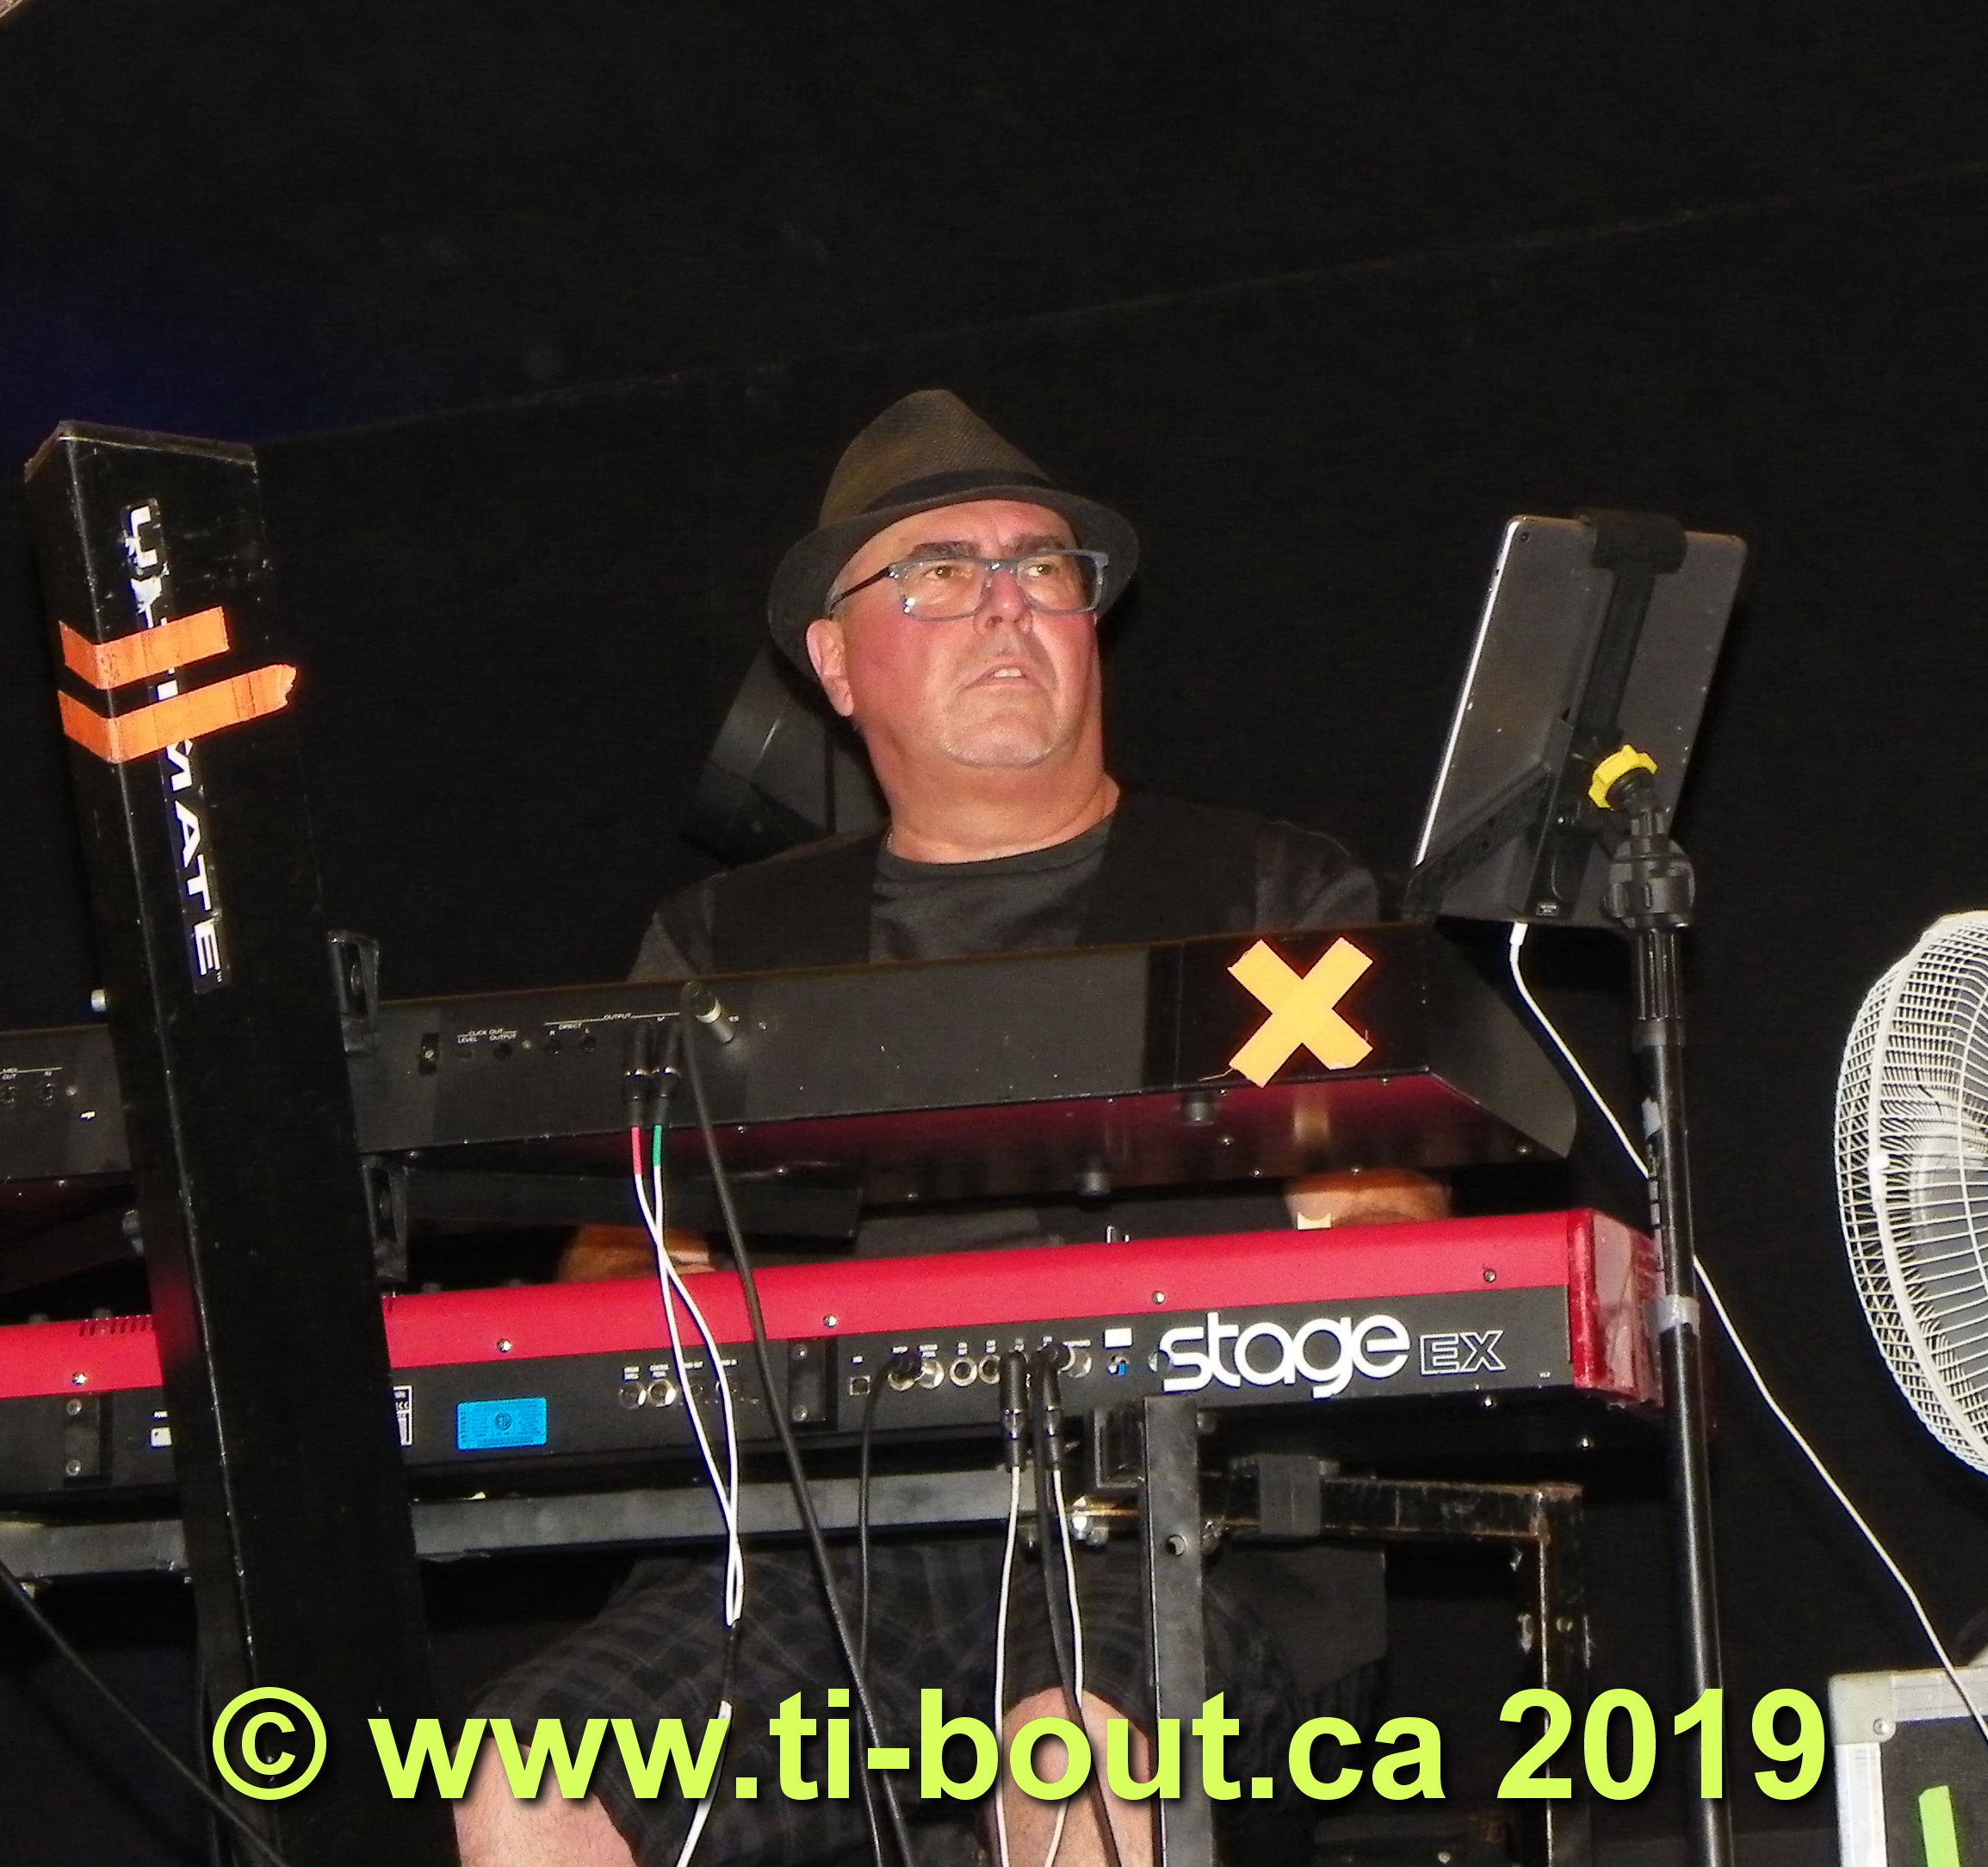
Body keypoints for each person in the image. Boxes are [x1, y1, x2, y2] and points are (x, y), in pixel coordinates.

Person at [461, 391, 1439, 1867]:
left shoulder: (1265, 895)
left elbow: (1385, 1232)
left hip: (1175, 1525)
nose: (1005, 603)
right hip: (812, 1547)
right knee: (530, 1787)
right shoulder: (729, 944)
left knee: (1076, 1758)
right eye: (939, 571)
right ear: (834, 663)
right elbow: (625, 1273)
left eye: (1042, 566)